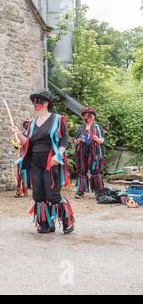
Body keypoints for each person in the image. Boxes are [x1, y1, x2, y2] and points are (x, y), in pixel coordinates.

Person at [11, 90, 75, 234]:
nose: (35, 104)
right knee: (38, 195)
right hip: (35, 161)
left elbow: (64, 141)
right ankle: (46, 223)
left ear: (46, 103)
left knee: (52, 194)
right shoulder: (32, 124)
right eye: (34, 101)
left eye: (38, 101)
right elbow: (28, 143)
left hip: (50, 160)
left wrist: (58, 155)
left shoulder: (58, 119)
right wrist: (18, 133)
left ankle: (68, 220)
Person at [74, 107, 106, 198]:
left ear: (93, 117)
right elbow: (75, 141)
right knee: (81, 171)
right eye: (85, 115)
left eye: (89, 115)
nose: (87, 117)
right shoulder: (80, 128)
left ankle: (99, 192)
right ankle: (80, 191)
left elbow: (102, 141)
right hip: (82, 152)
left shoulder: (98, 127)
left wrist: (96, 139)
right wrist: (79, 140)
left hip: (94, 152)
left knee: (95, 171)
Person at [14, 119, 31, 198]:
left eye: (29, 124)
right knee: (21, 172)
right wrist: (16, 145)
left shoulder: (34, 134)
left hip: (33, 155)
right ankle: (20, 191)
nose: (27, 126)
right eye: (26, 125)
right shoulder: (22, 134)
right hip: (23, 155)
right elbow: (18, 145)